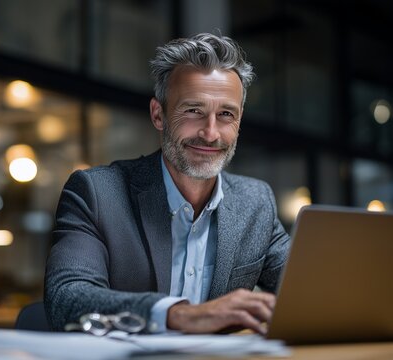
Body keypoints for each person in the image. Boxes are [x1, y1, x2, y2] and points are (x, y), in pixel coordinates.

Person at [45, 33, 291, 335]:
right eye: (193, 111)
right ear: (158, 114)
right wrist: (178, 315)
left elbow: (308, 291)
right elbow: (66, 298)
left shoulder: (256, 202)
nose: (210, 133)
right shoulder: (96, 193)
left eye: (226, 114)